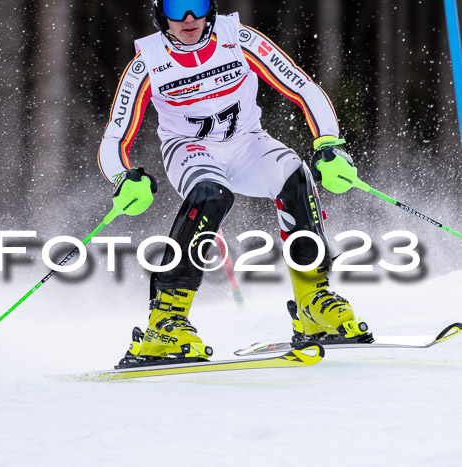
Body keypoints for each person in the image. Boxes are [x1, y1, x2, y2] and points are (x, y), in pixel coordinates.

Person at [97, 0, 371, 365]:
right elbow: (114, 138)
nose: (189, 18)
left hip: (247, 143)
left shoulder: (238, 38)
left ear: (210, 8)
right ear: (161, 15)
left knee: (294, 172)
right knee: (211, 195)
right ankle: (165, 323)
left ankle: (312, 303)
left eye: (196, 5)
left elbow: (302, 87)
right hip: (190, 150)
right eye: (177, 8)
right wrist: (123, 176)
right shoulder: (147, 62)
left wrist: (329, 144)